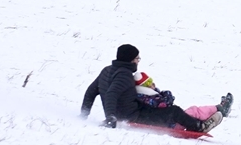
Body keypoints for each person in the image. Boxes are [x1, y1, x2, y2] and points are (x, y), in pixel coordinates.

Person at [80, 45, 223, 133]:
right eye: (137, 58)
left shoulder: (107, 70)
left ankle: (201, 117)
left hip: (131, 111)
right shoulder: (124, 75)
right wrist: (110, 118)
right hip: (133, 116)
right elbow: (112, 94)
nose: (138, 61)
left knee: (163, 108)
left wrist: (83, 115)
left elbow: (91, 92)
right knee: (174, 111)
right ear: (130, 60)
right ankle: (199, 126)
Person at [134, 71, 232, 123]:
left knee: (194, 111)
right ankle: (219, 109)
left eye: (151, 80)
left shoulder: (151, 94)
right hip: (171, 121)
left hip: (171, 118)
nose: (152, 84)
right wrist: (167, 95)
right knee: (193, 111)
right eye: (148, 82)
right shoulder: (146, 97)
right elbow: (165, 104)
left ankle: (218, 108)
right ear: (143, 87)